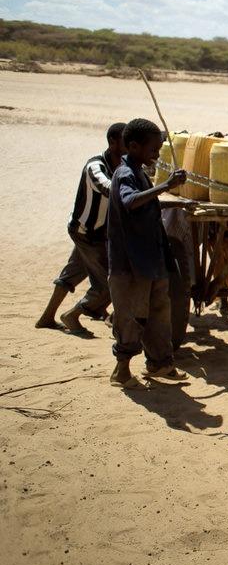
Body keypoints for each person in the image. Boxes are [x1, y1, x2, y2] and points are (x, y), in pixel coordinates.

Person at [107, 118, 188, 389]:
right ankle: (121, 371)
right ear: (132, 146)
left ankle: (160, 364)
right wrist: (165, 186)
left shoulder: (139, 170)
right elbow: (130, 201)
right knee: (133, 316)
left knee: (159, 313)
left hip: (150, 260)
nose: (157, 153)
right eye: (153, 149)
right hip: (131, 263)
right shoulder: (125, 174)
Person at [36, 122, 126, 335]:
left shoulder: (122, 165)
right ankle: (72, 315)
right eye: (125, 141)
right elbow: (107, 187)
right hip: (87, 232)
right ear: (112, 142)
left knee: (72, 273)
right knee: (107, 287)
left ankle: (47, 317)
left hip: (96, 232)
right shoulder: (95, 166)